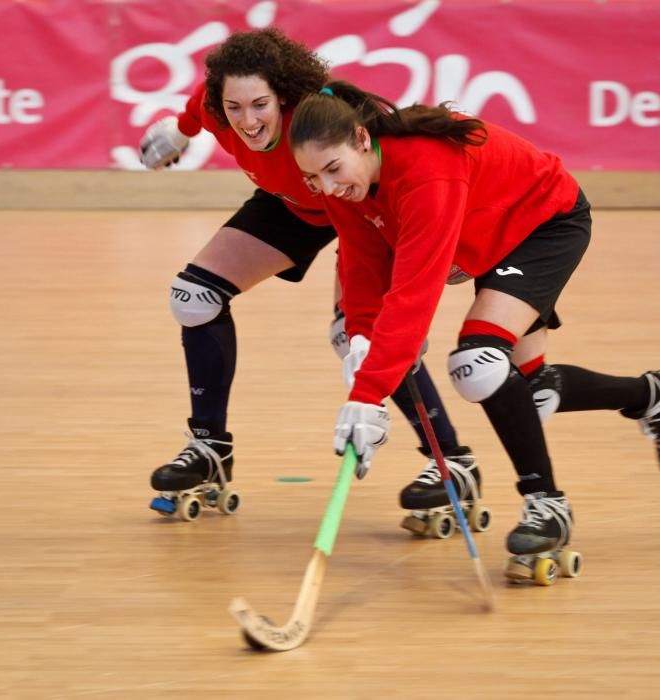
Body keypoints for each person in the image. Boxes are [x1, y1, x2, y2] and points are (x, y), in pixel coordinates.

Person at [289, 80, 660, 582]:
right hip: (488, 236)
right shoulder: (344, 188)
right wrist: (362, 342)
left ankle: (547, 506)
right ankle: (658, 395)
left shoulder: (426, 173)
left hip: (544, 223)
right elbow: (364, 272)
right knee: (531, 389)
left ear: (362, 140)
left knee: (476, 364)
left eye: (333, 169)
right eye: (312, 177)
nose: (327, 186)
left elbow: (414, 295)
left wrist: (368, 394)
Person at [139, 29, 483, 524]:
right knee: (194, 297)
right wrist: (180, 130)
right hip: (291, 208)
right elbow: (200, 109)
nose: (247, 121)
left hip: (355, 205)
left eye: (260, 105)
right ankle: (209, 448)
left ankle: (452, 463)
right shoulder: (219, 105)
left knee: (362, 336)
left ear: (283, 96)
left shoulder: (318, 120)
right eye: (234, 108)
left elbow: (383, 166)